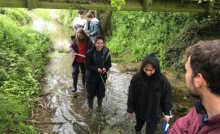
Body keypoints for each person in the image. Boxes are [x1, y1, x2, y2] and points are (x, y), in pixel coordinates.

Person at [169, 40, 220, 134]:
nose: (185, 75)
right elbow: (179, 127)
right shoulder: (201, 108)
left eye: (186, 70)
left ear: (198, 79)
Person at [127, 54, 173, 134]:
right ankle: (138, 131)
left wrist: (167, 113)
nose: (148, 73)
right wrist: (130, 108)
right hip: (140, 109)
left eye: (151, 70)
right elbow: (131, 93)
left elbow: (167, 97)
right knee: (138, 126)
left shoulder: (162, 80)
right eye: (146, 70)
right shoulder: (137, 77)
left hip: (155, 111)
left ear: (156, 69)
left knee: (150, 132)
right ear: (143, 68)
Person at [85, 36, 111, 112]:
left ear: (104, 43)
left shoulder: (106, 51)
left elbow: (108, 64)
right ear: (95, 43)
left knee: (101, 93)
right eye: (98, 43)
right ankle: (90, 109)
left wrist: (105, 68)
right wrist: (96, 69)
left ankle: (99, 109)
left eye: (102, 43)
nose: (100, 45)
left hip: (102, 77)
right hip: (91, 77)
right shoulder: (90, 52)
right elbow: (87, 65)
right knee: (90, 94)